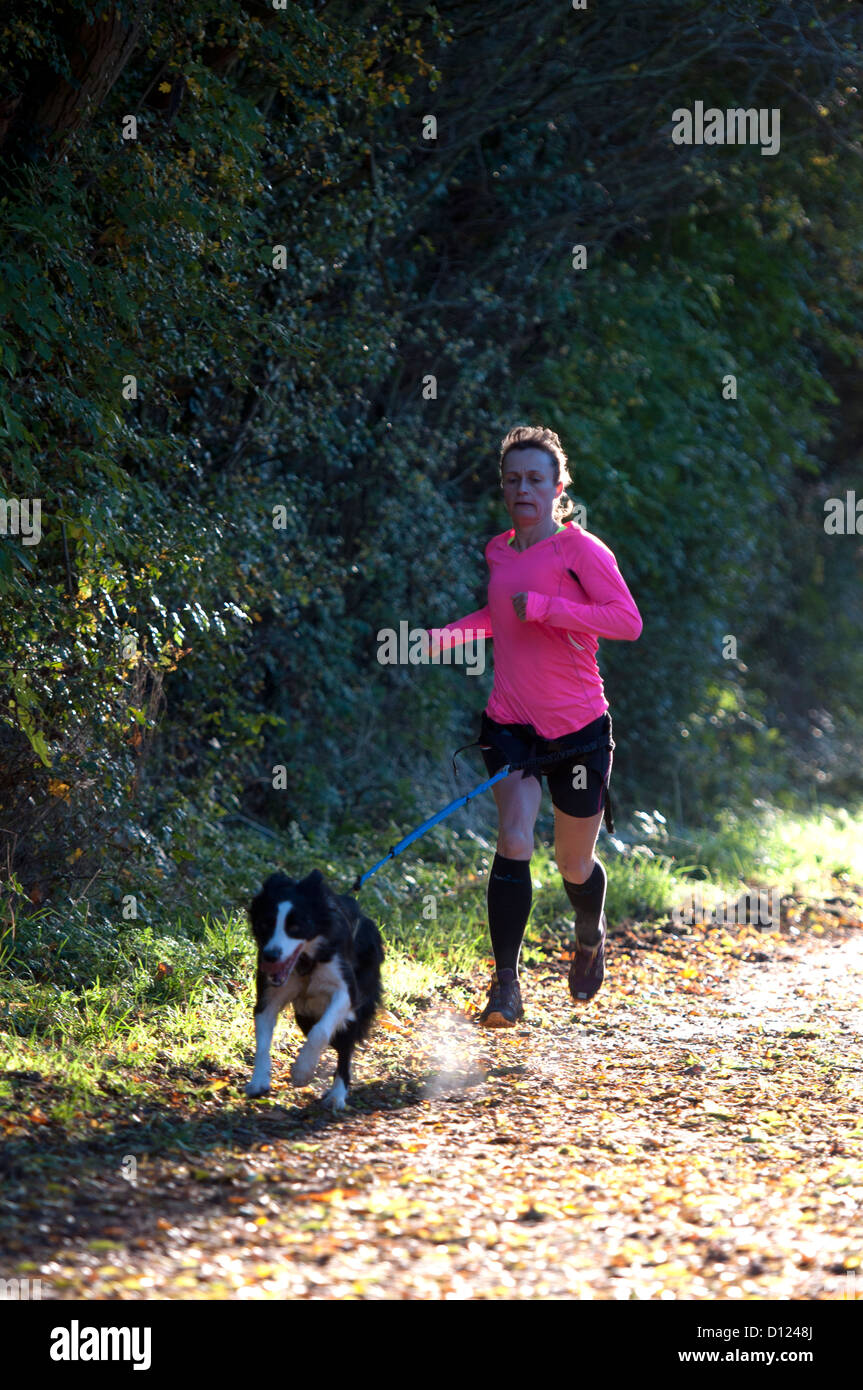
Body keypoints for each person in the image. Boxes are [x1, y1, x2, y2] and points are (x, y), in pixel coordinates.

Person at [427, 425, 642, 1026]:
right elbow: (501, 615)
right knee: (514, 840)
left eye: (535, 479)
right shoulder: (499, 550)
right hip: (511, 723)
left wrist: (550, 609)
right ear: (504, 488)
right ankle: (505, 986)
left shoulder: (581, 551)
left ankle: (589, 934)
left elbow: (627, 621)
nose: (523, 489)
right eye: (513, 479)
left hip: (577, 730)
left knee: (572, 862)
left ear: (557, 487)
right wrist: (448, 636)